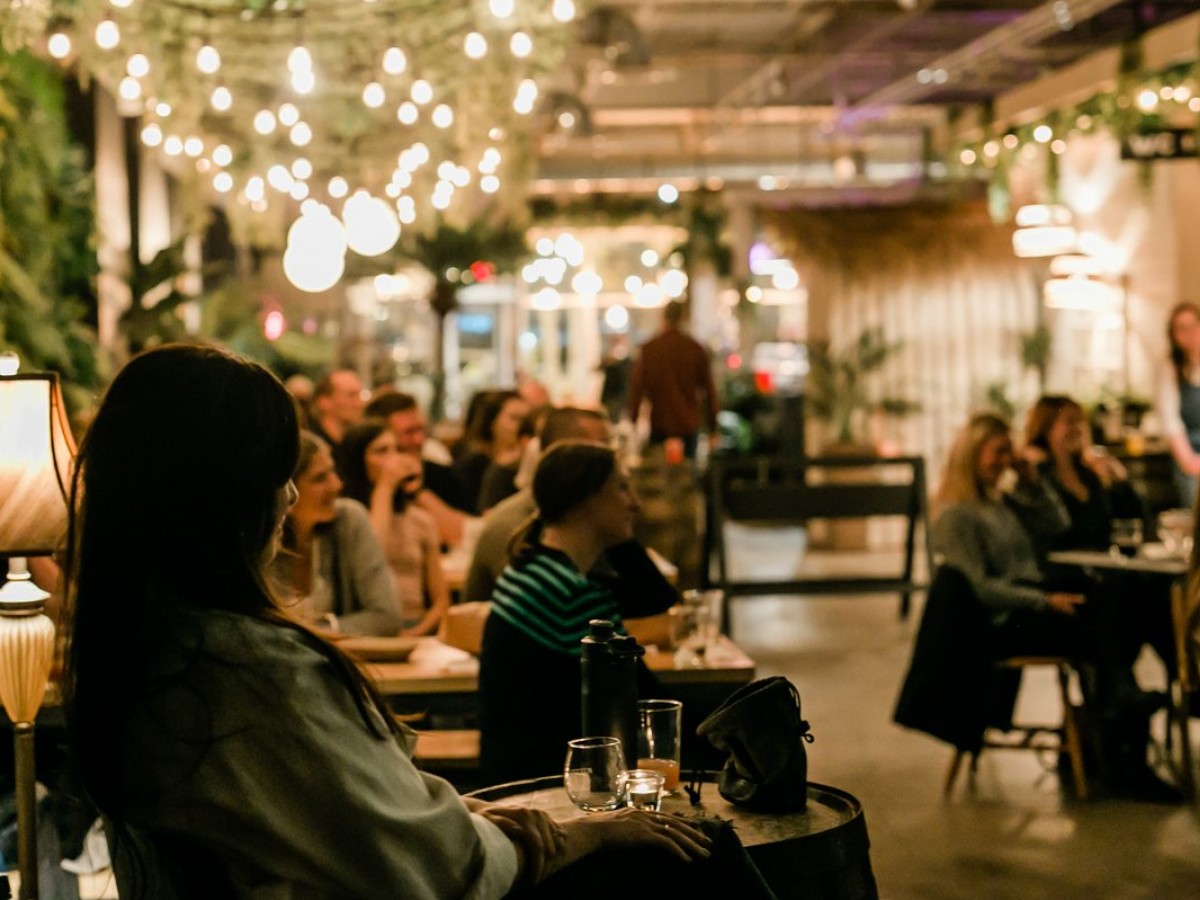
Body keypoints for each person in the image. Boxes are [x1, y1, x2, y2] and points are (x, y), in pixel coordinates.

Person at [63, 343, 729, 899]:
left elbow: (346, 819)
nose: (292, 494)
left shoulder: (139, 655)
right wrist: (588, 833)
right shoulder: (251, 676)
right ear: (222, 497)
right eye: (278, 472)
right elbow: (437, 868)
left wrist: (460, 813)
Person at [932, 412, 1179, 802]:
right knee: (1115, 611)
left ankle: (1130, 701)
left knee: (1135, 595)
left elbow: (1056, 523)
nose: (1004, 461)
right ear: (972, 454)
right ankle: (1127, 729)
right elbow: (978, 589)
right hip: (1004, 623)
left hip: (1032, 606)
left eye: (1007, 452)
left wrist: (1030, 480)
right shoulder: (955, 515)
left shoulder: (1000, 502)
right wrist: (1044, 600)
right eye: (997, 452)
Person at [480, 440, 665, 783]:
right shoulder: (570, 594)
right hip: (551, 786)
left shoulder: (531, 568)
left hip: (518, 774)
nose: (635, 503)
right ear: (589, 499)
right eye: (622, 488)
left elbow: (656, 598)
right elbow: (642, 700)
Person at [463, 406, 677, 646]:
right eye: (603, 444)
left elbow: (664, 610)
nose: (635, 503)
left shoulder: (602, 532)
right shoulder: (527, 543)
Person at [277, 431, 403, 636]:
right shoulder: (265, 536)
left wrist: (318, 633)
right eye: (320, 478)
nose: (337, 485)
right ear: (288, 491)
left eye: (333, 471)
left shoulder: (350, 519)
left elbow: (386, 617)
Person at [338, 419, 451, 636]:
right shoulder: (346, 518)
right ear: (358, 460)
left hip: (414, 627)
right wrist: (385, 487)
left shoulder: (419, 520)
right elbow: (372, 556)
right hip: (363, 629)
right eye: (381, 451)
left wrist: (416, 633)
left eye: (397, 450)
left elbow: (441, 602)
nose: (393, 460)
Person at [365, 391, 473, 546]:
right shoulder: (361, 484)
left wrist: (416, 491)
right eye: (409, 432)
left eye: (421, 429)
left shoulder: (440, 474)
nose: (419, 440)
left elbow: (462, 534)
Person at [626, 300, 718, 458]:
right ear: (682, 318)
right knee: (688, 474)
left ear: (663, 317)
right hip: (688, 423)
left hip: (660, 422)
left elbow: (637, 388)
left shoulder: (650, 349)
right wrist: (713, 427)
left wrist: (632, 421)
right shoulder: (695, 348)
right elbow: (709, 390)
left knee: (659, 474)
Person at [455, 389, 529, 513]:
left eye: (526, 419)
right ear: (492, 422)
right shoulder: (472, 466)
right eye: (514, 418)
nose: (522, 426)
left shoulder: (527, 463)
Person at [1158, 301, 1200, 507]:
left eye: (1194, 325)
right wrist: (1189, 461)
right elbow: (1170, 420)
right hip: (1189, 452)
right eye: (1182, 328)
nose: (1190, 333)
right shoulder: (1172, 369)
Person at [310, 367, 366, 451]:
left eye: (359, 395)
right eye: (351, 395)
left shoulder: (357, 445)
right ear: (324, 402)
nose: (360, 403)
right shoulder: (313, 450)